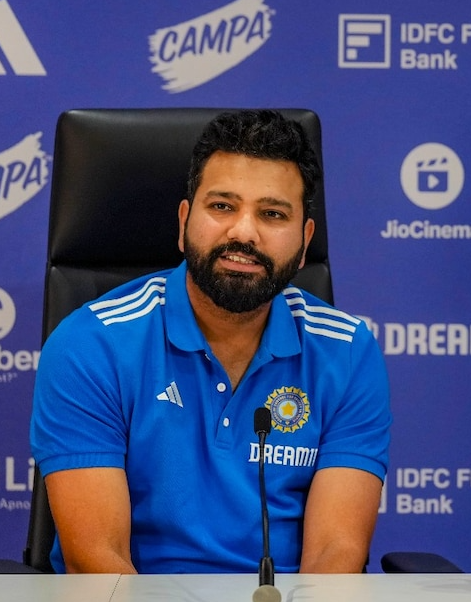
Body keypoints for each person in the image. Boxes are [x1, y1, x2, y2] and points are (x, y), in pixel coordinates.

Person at [30, 110, 391, 574]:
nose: (243, 232)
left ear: (304, 243)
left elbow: (334, 557)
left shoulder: (347, 351)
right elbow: (97, 563)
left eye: (272, 213)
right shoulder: (90, 344)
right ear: (183, 222)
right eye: (222, 206)